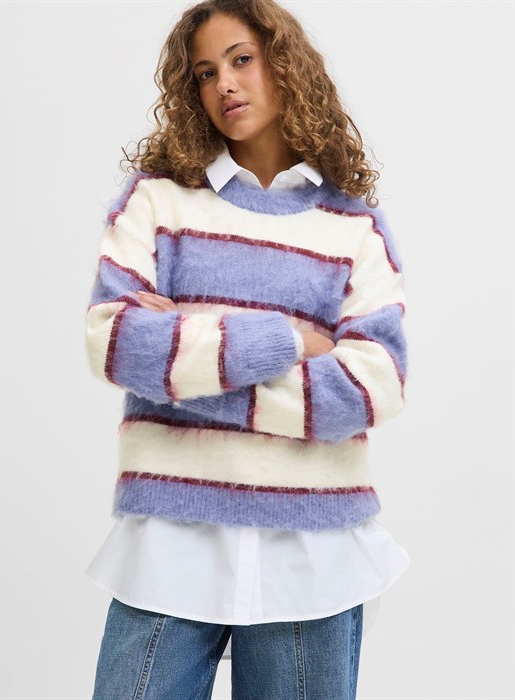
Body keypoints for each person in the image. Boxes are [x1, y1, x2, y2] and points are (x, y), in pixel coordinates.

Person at [84, 0, 410, 697]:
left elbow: (371, 387)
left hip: (312, 553)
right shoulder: (157, 202)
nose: (225, 84)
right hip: (170, 539)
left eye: (242, 59)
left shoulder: (355, 227)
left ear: (285, 65)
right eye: (205, 72)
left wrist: (185, 359)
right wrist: (287, 340)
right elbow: (115, 341)